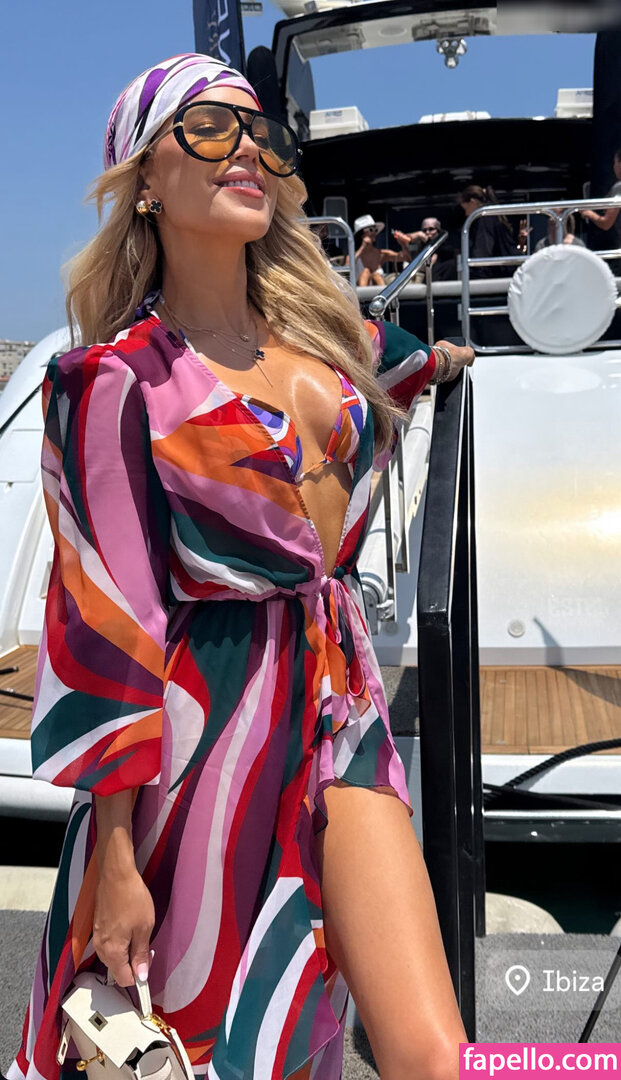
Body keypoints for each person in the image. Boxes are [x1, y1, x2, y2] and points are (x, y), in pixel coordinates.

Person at [6, 53, 475, 1080]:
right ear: (144, 176)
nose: (247, 151)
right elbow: (108, 619)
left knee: (434, 1055)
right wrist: (117, 857)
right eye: (210, 128)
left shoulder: (328, 338)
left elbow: (399, 359)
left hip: (339, 713)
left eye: (259, 132)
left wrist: (445, 360)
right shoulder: (115, 382)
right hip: (203, 750)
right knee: (223, 1047)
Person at [458, 184, 524, 279]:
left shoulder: (485, 219)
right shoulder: (494, 215)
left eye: (465, 209)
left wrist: (476, 275)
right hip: (509, 269)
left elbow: (483, 249)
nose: (466, 214)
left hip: (502, 272)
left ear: (472, 202)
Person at [581, 148, 621, 273]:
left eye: (615, 162)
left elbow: (606, 223)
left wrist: (589, 214)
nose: (614, 166)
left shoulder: (619, 188)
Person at [348, 213, 411, 286]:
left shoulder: (381, 254)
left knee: (376, 275)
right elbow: (347, 267)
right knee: (366, 271)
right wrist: (362, 247)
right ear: (362, 234)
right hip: (359, 292)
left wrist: (403, 244)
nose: (374, 232)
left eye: (376, 230)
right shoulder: (352, 256)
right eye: (371, 230)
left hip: (379, 291)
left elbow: (406, 258)